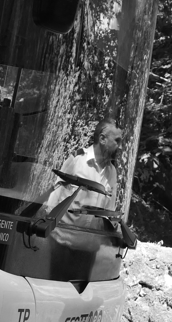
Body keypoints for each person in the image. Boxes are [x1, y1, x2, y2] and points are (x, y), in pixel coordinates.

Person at [44, 119, 123, 280]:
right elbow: (54, 198)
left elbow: (109, 212)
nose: (120, 146)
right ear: (102, 139)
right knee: (57, 295)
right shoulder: (77, 161)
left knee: (78, 299)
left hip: (89, 250)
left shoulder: (112, 172)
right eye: (117, 141)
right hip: (63, 244)